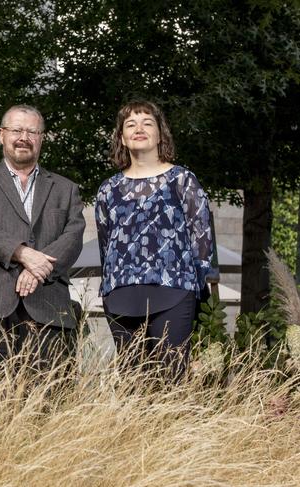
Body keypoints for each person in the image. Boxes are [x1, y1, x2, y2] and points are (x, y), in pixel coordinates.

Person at [0, 104, 86, 367]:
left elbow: (73, 236)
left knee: (51, 398)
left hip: (48, 303)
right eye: (16, 130)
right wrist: (24, 254)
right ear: (1, 134)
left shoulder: (66, 188)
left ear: (41, 138)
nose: (23, 138)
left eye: (32, 131)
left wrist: (39, 269)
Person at [95, 100, 213, 377]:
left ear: (161, 134)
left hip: (174, 288)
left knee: (170, 378)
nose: (139, 128)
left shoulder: (183, 180)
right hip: (120, 294)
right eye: (130, 124)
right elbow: (105, 243)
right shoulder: (107, 189)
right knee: (131, 383)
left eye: (148, 123)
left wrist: (193, 285)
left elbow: (202, 239)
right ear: (121, 138)